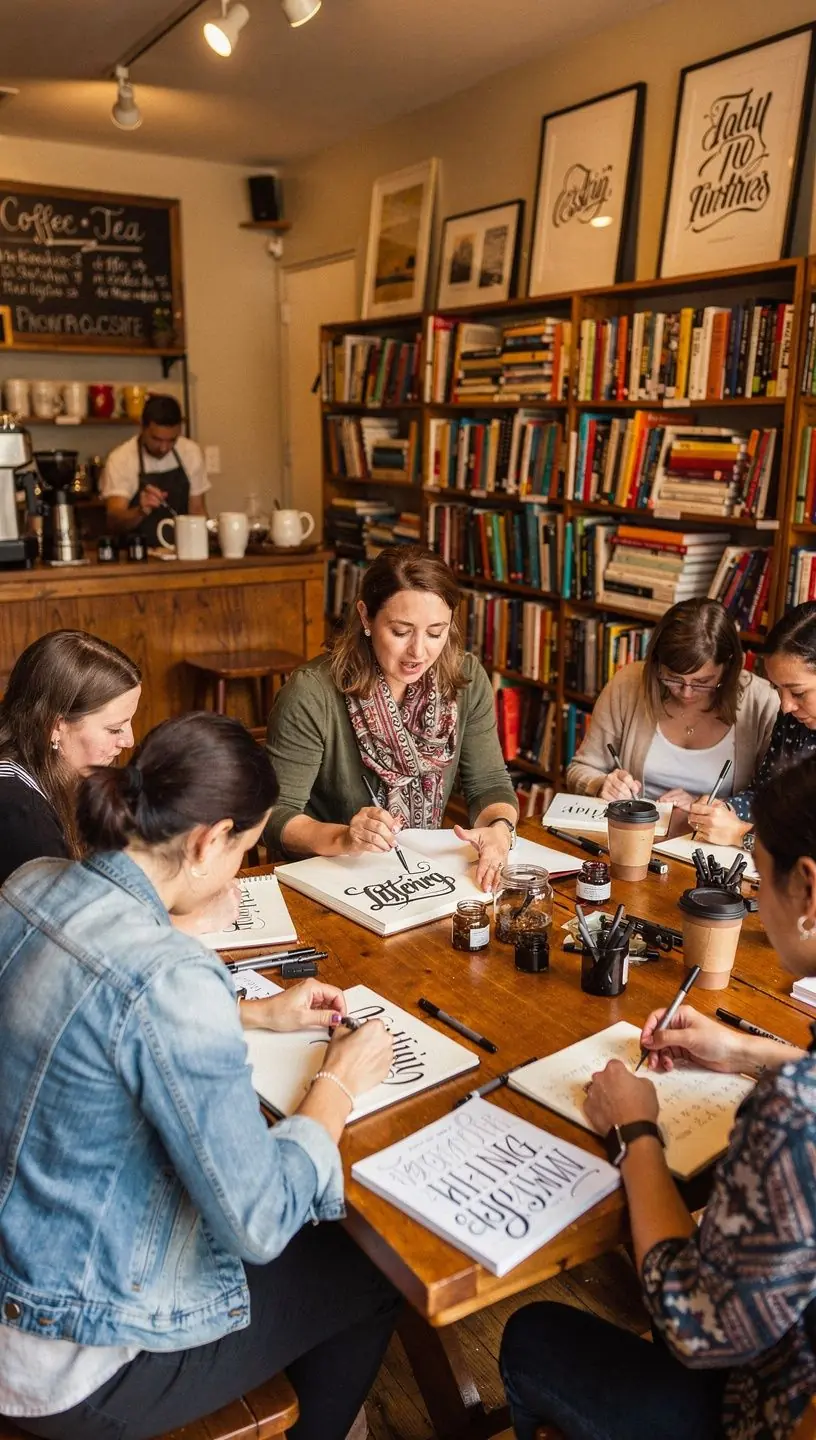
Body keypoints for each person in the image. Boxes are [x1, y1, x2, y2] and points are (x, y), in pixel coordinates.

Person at [0, 712, 398, 1440]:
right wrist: (337, 1083)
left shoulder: (30, 883)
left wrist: (251, 1013)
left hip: (17, 1283)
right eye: (246, 851)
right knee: (372, 1272)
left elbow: (95, 1004)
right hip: (69, 1358)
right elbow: (261, 1222)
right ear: (209, 841)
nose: (241, 870)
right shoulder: (171, 979)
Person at [500, 751, 816, 1440]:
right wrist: (745, 1052)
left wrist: (637, 1132)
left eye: (759, 880)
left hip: (767, 1409)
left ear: (809, 890)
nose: (755, 897)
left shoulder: (794, 1111)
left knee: (530, 1335)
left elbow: (690, 1325)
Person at [265, 545, 519, 891]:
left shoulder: (466, 679)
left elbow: (488, 783)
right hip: (328, 881)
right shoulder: (312, 693)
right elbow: (273, 815)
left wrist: (499, 830)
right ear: (366, 617)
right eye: (401, 632)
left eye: (435, 632)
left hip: (418, 875)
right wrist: (344, 837)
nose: (419, 651)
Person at [565, 598, 778, 818]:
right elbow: (579, 770)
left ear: (729, 667)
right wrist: (601, 784)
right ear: (657, 664)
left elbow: (773, 802)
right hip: (635, 831)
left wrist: (705, 806)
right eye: (673, 679)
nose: (686, 693)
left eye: (702, 682)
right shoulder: (628, 684)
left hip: (711, 844)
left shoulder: (761, 702)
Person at [0, 629, 141, 886]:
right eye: (113, 729)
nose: (128, 741)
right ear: (56, 727)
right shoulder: (20, 813)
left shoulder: (46, 769)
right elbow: (64, 919)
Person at [690, 600, 816, 846]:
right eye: (777, 689)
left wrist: (741, 835)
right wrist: (723, 811)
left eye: (798, 692)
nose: (785, 706)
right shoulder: (793, 719)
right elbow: (765, 796)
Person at [100, 394, 209, 545]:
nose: (164, 448)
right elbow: (114, 521)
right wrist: (141, 510)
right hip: (137, 555)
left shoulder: (191, 452)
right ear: (142, 427)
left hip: (181, 550)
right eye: (156, 439)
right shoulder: (121, 459)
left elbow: (197, 510)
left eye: (172, 440)